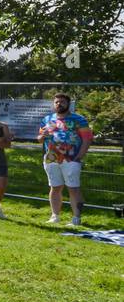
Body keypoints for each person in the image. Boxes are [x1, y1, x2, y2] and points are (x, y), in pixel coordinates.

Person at [38, 92, 93, 226]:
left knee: (73, 188)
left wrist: (79, 156)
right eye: (56, 102)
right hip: (51, 158)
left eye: (62, 102)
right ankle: (55, 216)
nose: (59, 104)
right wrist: (42, 136)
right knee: (55, 187)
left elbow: (87, 139)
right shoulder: (46, 119)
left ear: (68, 104)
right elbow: (39, 139)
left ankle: (76, 218)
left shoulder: (79, 119)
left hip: (72, 158)